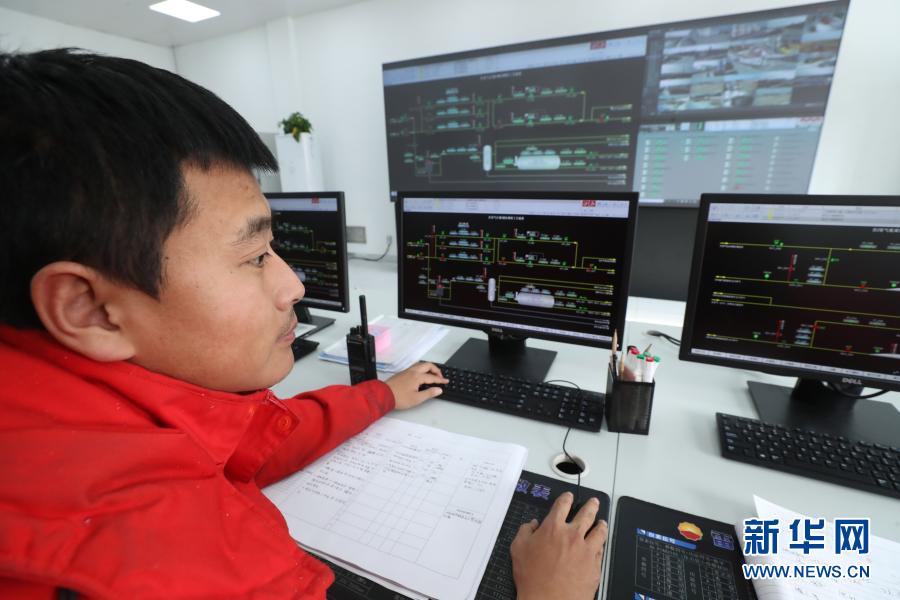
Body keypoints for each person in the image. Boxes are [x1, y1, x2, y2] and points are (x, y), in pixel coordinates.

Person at [0, 48, 607, 599]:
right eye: (253, 256)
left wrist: (381, 396)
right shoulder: (168, 562)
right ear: (87, 308)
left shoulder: (60, 410)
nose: (293, 285)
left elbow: (258, 441)